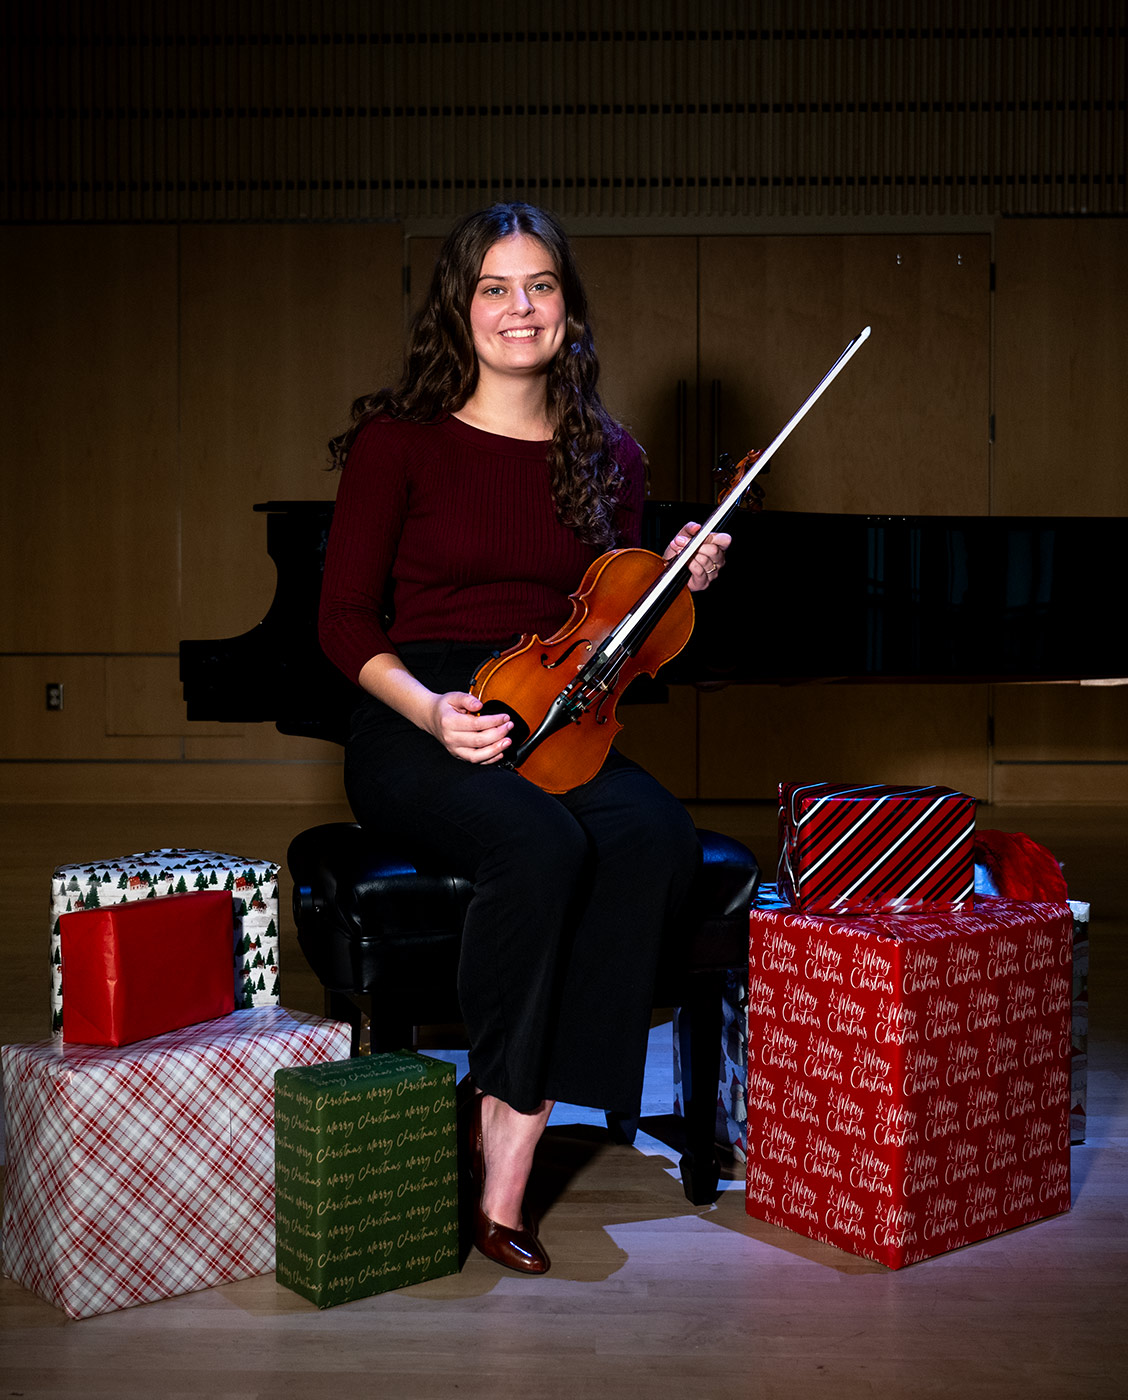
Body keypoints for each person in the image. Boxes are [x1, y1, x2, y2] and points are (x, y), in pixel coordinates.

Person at [317, 203, 730, 1274]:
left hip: (551, 706)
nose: (519, 308)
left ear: (568, 307)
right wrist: (429, 710)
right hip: (418, 712)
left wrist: (671, 580)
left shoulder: (610, 454)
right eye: (494, 287)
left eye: (540, 285)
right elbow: (343, 619)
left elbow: (612, 633)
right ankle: (508, 1140)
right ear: (459, 308)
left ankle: (516, 1106)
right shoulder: (399, 443)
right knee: (538, 841)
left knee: (653, 836)